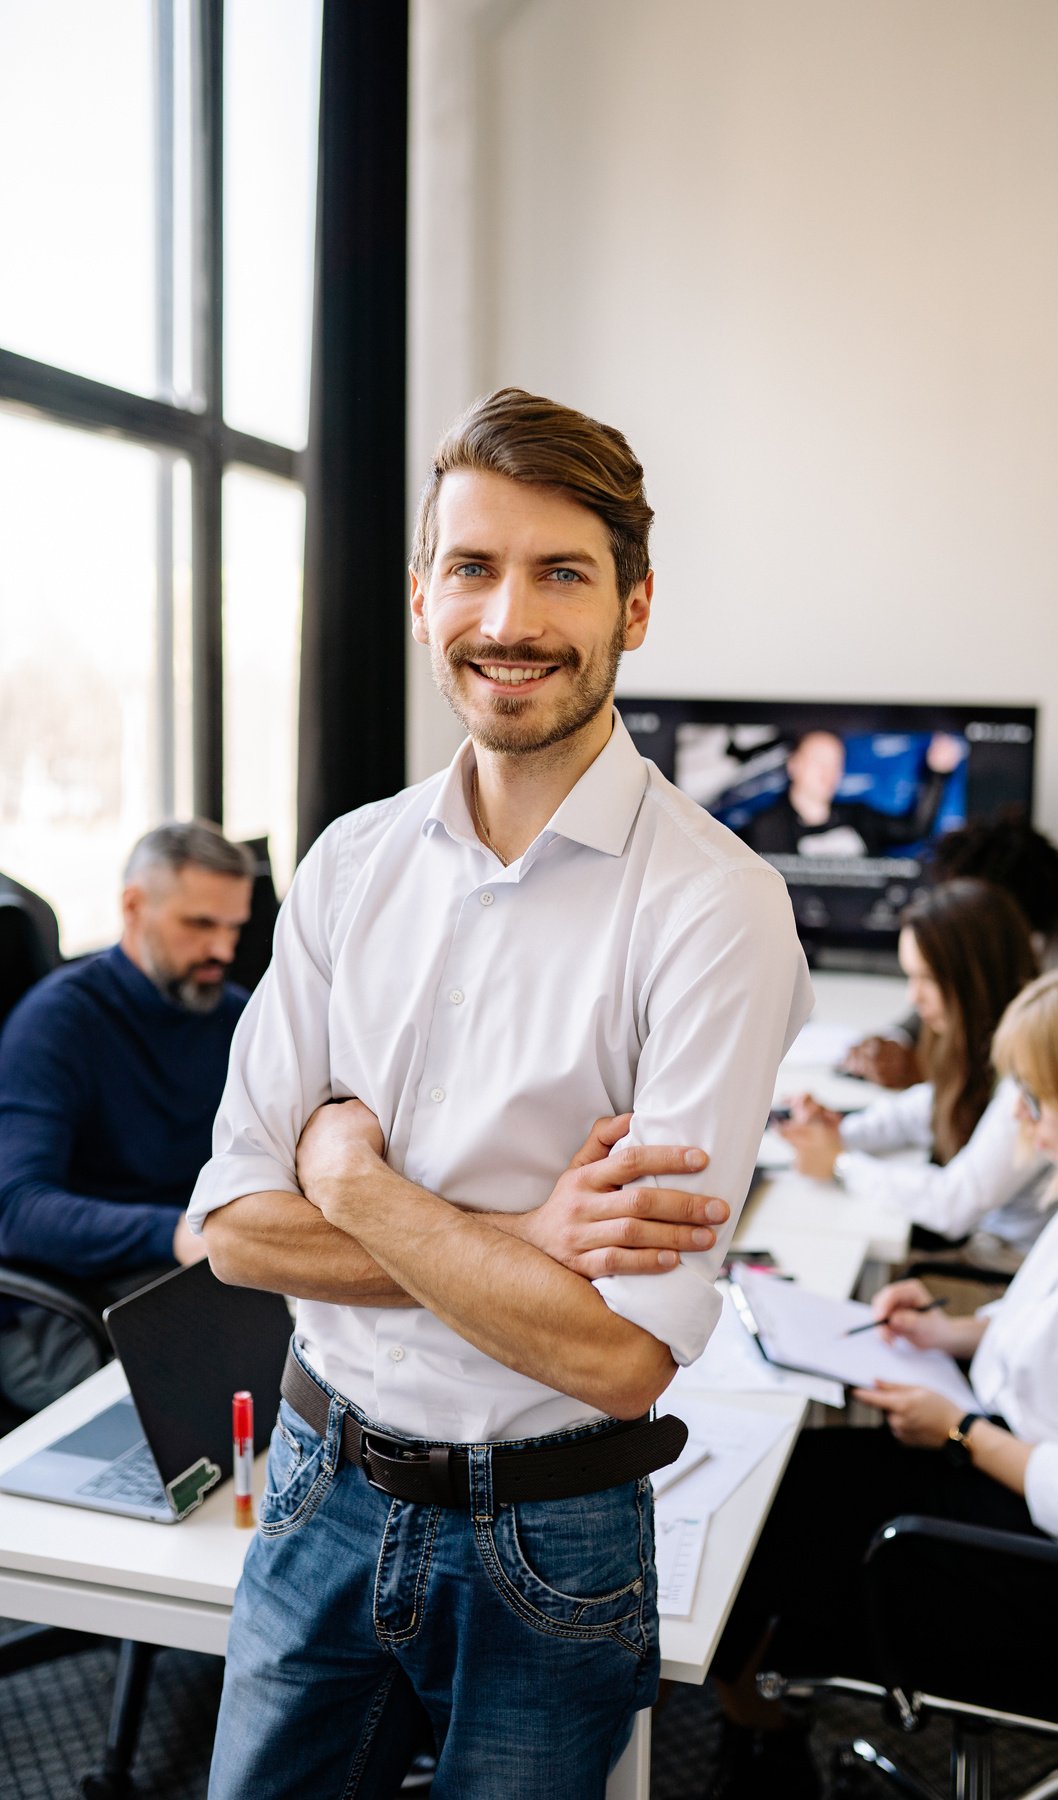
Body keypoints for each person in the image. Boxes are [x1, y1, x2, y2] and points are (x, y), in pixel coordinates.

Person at [188, 387, 813, 1798]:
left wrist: (351, 1181)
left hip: (553, 1527)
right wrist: (526, 1242)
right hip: (314, 1481)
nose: (509, 618)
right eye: (473, 568)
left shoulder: (716, 909)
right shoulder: (352, 864)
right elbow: (233, 1228)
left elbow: (620, 1357)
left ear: (635, 608)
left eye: (562, 573)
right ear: (423, 598)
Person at [707, 956, 1058, 1796]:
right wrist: (955, 1330)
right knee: (789, 1482)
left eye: (1033, 1103)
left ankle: (759, 1731)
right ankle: (755, 1714)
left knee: (766, 1530)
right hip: (1009, 1469)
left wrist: (963, 1433)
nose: (1027, 1129)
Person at [0, 821, 253, 1413]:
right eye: (200, 925)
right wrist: (172, 1232)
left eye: (234, 927)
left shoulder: (237, 1015)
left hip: (191, 1280)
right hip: (65, 1309)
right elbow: (15, 1209)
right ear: (134, 907)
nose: (223, 950)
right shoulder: (59, 1024)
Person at [777, 879, 1052, 1265]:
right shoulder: (984, 1034)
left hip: (1002, 1265)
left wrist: (839, 1163)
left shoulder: (1034, 1066)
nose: (913, 996)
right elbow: (927, 1106)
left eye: (927, 979)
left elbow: (956, 1204)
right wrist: (838, 1132)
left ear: (975, 979)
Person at [843, 813, 1058, 1088]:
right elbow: (947, 994)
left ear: (991, 910)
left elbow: (1038, 1081)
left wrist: (928, 1070)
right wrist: (895, 1041)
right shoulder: (1010, 937)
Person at [738, 727, 965, 860]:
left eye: (834, 763)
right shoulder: (763, 827)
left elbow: (914, 829)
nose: (827, 772)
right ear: (794, 765)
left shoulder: (858, 816)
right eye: (818, 761)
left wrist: (937, 773)